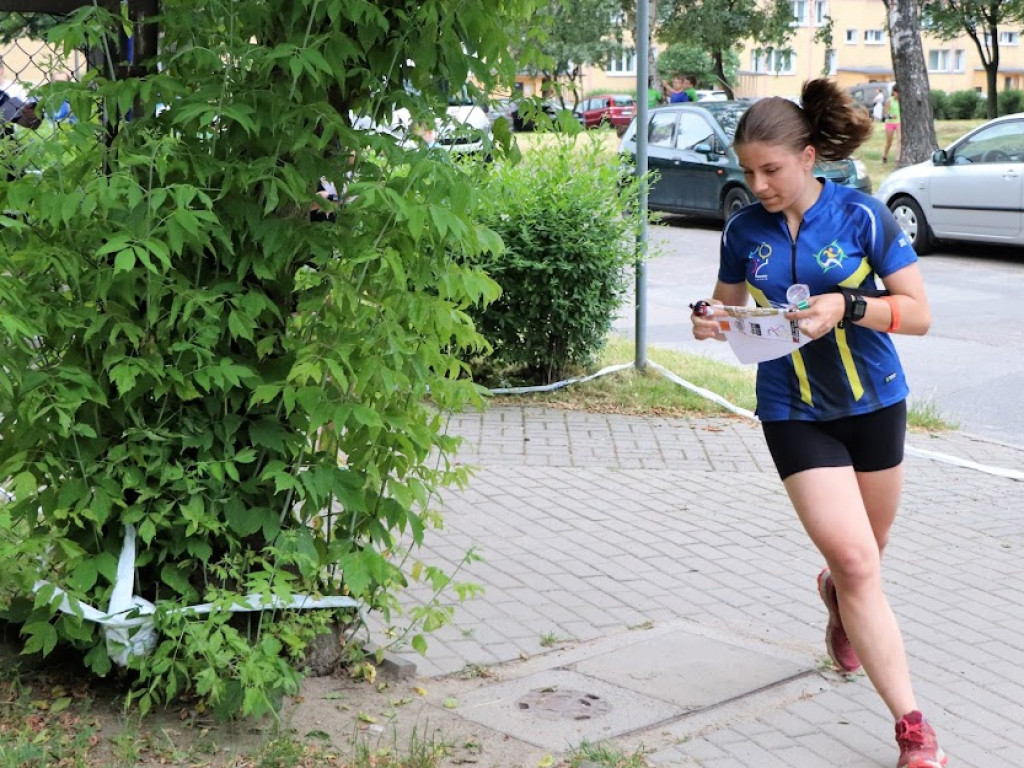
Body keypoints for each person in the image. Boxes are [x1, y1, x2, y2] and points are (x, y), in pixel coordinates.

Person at [690, 78, 947, 768]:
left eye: (770, 169)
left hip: (877, 403)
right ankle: (914, 731)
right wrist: (711, 322)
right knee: (861, 561)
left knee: (867, 555)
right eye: (748, 171)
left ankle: (836, 601)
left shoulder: (863, 216)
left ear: (808, 157)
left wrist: (847, 306)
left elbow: (918, 313)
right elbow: (726, 307)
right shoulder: (744, 229)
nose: (759, 183)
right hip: (793, 409)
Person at [882, 85, 901, 163]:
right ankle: (885, 155)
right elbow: (885, 114)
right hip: (890, 123)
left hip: (899, 122)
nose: (898, 94)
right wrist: (890, 116)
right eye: (897, 92)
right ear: (894, 92)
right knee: (889, 142)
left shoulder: (902, 101)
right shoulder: (889, 100)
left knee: (900, 140)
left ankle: (898, 159)